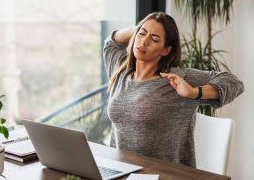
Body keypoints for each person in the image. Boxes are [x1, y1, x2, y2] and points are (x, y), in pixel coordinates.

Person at [103, 12, 244, 167]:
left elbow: (234, 83)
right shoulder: (121, 69)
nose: (144, 42)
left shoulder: (174, 79)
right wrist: (142, 29)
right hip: (122, 171)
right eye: (141, 34)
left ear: (166, 50)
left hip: (165, 175)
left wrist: (194, 92)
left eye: (154, 39)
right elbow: (111, 42)